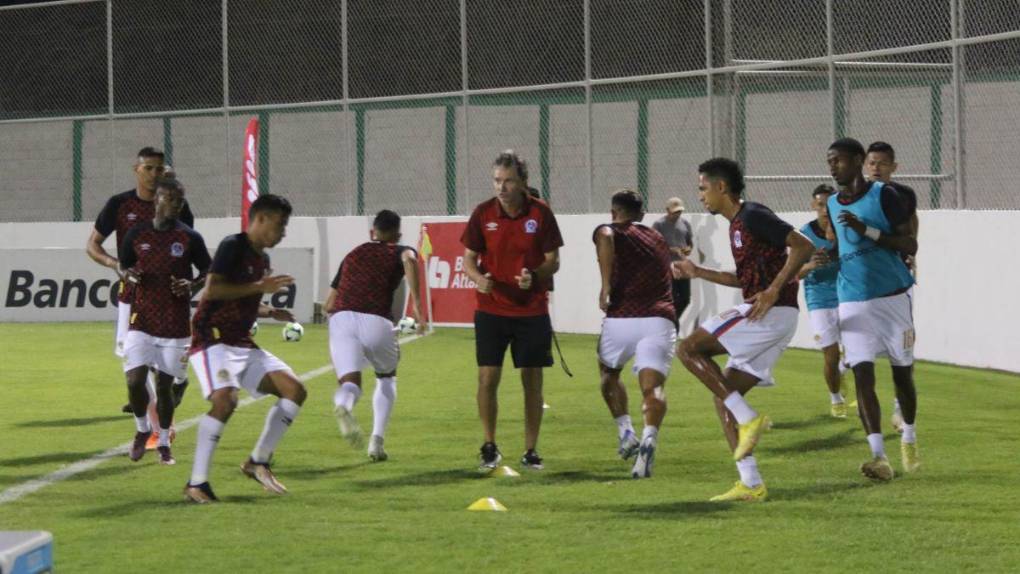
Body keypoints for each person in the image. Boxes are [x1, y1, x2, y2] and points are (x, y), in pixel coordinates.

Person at [674, 158, 813, 502]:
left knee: (687, 348)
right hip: (774, 315)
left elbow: (803, 245)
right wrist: (698, 272)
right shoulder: (737, 226)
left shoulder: (752, 215)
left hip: (770, 312)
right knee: (723, 397)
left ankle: (748, 417)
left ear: (721, 187)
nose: (700, 195)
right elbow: (744, 279)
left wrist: (774, 288)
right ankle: (751, 483)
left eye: (703, 188)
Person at [183, 194, 306, 503]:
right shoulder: (232, 245)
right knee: (225, 400)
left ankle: (258, 461)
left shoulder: (261, 259)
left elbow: (244, 298)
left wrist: (267, 310)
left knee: (295, 391)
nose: (282, 232)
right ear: (261, 219)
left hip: (241, 341)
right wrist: (258, 288)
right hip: (212, 338)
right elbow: (213, 290)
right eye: (280, 225)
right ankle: (197, 483)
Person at [461, 150, 564, 471]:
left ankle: (530, 450)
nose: (501, 188)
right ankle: (489, 445)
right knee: (487, 378)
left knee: (532, 381)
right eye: (497, 181)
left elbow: (553, 261)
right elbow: (468, 260)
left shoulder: (541, 214)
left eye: (508, 181)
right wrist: (479, 279)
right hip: (491, 310)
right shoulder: (482, 214)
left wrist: (533, 276)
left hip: (531, 311)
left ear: (523, 183)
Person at [826, 138, 920, 481]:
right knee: (862, 374)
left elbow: (909, 244)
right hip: (852, 297)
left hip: (893, 296)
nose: (832, 166)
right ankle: (879, 456)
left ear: (858, 160)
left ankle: (908, 435)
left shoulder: (886, 196)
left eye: (837, 160)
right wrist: (825, 257)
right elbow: (842, 246)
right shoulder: (834, 204)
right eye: (829, 161)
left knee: (901, 375)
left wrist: (867, 230)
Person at [86, 147, 195, 430]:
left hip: (169, 300)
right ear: (137, 169)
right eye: (148, 168)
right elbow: (92, 245)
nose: (153, 174)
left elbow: (187, 246)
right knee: (135, 361)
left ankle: (161, 420)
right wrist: (116, 265)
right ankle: (151, 405)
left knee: (162, 367)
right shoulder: (120, 205)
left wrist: (187, 285)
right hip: (132, 296)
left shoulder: (177, 206)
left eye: (159, 169)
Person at [118, 178, 210, 465]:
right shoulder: (136, 233)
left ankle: (165, 439)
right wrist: (128, 275)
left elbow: (208, 271)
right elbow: (124, 266)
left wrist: (192, 285)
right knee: (134, 381)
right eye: (170, 199)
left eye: (179, 200)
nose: (175, 205)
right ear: (156, 200)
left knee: (165, 388)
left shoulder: (189, 237)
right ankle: (142, 431)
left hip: (175, 325)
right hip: (142, 321)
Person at [324, 209, 426, 462]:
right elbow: (410, 260)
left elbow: (328, 303)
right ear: (398, 234)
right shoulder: (399, 250)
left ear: (373, 232)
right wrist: (418, 307)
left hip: (341, 319)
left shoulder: (353, 254)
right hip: (375, 321)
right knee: (386, 377)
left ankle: (345, 406)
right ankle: (376, 442)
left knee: (349, 383)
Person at [593, 189, 676, 478]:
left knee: (608, 372)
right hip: (660, 319)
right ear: (642, 214)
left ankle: (626, 431)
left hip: (622, 319)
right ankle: (649, 436)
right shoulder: (658, 238)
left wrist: (605, 286)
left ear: (614, 212)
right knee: (652, 389)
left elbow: (604, 235)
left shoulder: (611, 229)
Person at [865, 141, 919, 432]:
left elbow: (911, 223)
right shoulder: (854, 195)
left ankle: (901, 406)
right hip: (865, 283)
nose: (876, 168)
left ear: (893, 167)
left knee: (904, 344)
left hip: (897, 282)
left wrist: (910, 254)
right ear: (864, 165)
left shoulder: (903, 195)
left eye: (882, 163)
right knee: (861, 349)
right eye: (872, 162)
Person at [796, 184, 849, 418]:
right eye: (820, 205)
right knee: (830, 352)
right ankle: (836, 398)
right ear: (813, 206)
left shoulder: (846, 229)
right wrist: (811, 265)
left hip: (849, 294)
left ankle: (842, 369)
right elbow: (794, 272)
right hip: (819, 298)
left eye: (829, 205)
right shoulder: (804, 235)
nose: (825, 210)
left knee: (858, 350)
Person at [652, 197, 694, 326]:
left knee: (685, 299)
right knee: (672, 299)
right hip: (666, 267)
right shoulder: (659, 224)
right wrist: (672, 250)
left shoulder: (685, 224)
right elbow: (654, 246)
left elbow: (690, 243)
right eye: (675, 211)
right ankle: (671, 326)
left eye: (679, 211)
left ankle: (671, 323)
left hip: (682, 266)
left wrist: (688, 249)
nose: (677, 214)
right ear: (667, 210)